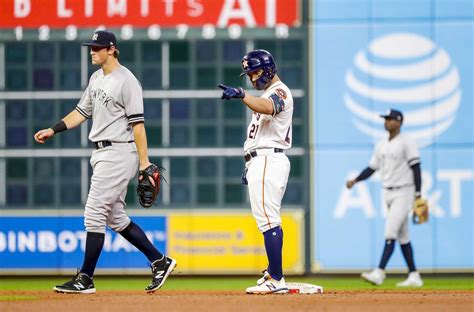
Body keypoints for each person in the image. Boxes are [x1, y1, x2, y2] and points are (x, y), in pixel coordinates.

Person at [33, 30, 176, 294]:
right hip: (101, 153)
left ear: (112, 49)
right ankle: (160, 261)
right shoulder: (97, 78)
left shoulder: (127, 81)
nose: (92, 51)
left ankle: (85, 278)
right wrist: (53, 129)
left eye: (97, 48)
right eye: (91, 47)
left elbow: (138, 125)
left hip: (119, 152)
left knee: (94, 213)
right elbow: (80, 112)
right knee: (115, 217)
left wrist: (144, 164)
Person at [218, 49, 293, 294]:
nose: (251, 78)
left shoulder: (279, 91)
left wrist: (242, 95)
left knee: (268, 219)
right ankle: (273, 272)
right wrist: (250, 163)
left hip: (269, 159)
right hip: (262, 161)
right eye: (249, 74)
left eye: (255, 72)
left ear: (269, 68)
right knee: (268, 217)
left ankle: (277, 279)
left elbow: (269, 107)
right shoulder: (267, 92)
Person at [346, 109, 424, 287]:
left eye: (389, 119)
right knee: (403, 236)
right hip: (388, 192)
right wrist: (356, 180)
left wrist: (418, 194)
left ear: (399, 122)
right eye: (385, 119)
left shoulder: (407, 142)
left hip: (404, 191)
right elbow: (372, 168)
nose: (386, 122)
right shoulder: (382, 144)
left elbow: (416, 167)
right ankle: (414, 275)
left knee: (390, 231)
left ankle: (379, 272)